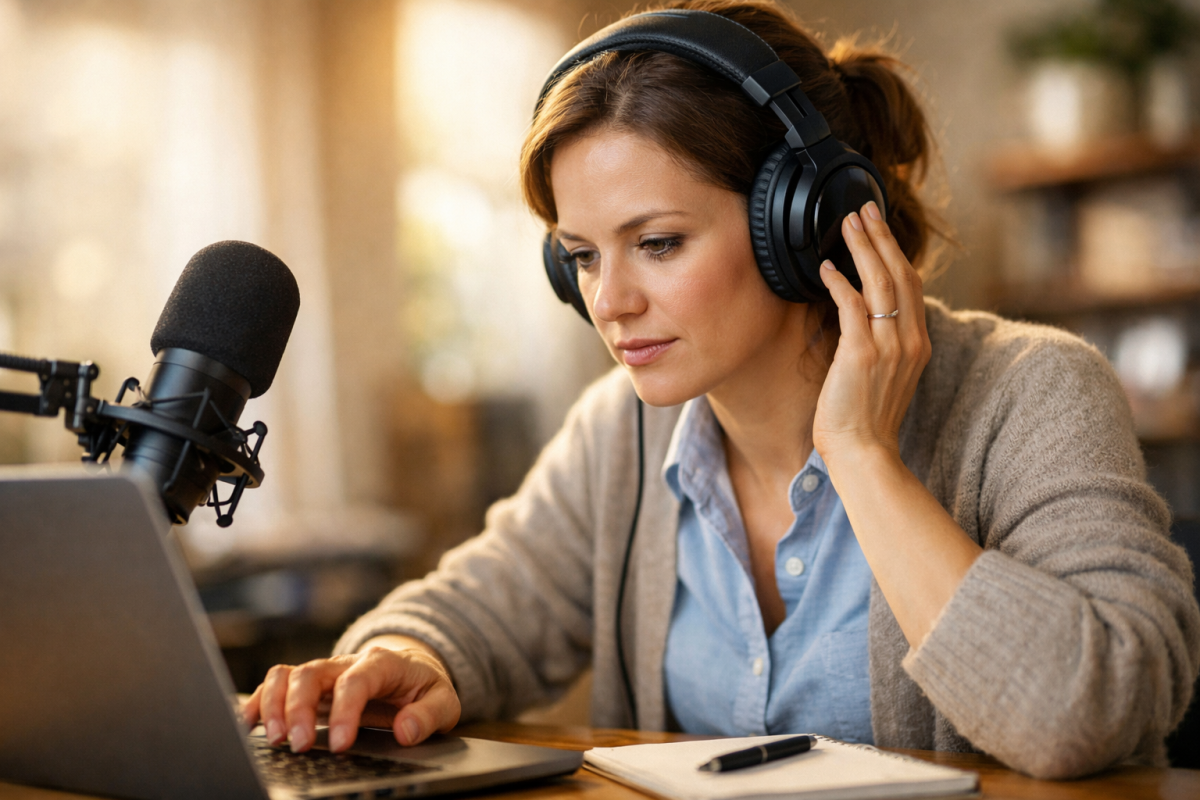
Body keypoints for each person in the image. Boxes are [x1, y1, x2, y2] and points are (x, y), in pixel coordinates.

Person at [241, 0, 1200, 779]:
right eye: (582, 255)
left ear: (805, 223)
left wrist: (864, 460)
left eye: (658, 243)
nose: (609, 302)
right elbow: (482, 607)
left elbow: (1092, 712)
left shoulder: (1030, 392)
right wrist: (404, 659)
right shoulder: (621, 433)